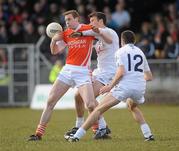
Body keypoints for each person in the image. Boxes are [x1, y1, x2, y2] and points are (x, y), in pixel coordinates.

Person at [68, 30, 155, 142]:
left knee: (98, 110)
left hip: (124, 88)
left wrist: (110, 86)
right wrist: (136, 80)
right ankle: (148, 134)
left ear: (122, 41)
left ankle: (76, 136)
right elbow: (149, 76)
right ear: (134, 40)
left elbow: (121, 72)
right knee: (132, 106)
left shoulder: (120, 51)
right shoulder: (140, 52)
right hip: (139, 88)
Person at [28, 10, 97, 141]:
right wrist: (53, 41)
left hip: (82, 71)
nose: (67, 22)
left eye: (69, 19)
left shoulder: (88, 28)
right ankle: (38, 134)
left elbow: (101, 34)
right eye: (65, 20)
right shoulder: (66, 33)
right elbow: (54, 51)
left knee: (91, 104)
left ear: (77, 18)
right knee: (50, 102)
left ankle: (97, 130)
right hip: (67, 70)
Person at [64, 12, 119, 140]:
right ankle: (79, 125)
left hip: (109, 73)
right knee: (78, 96)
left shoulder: (109, 32)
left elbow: (107, 39)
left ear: (100, 21)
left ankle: (102, 127)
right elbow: (88, 32)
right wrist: (80, 33)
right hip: (99, 71)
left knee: (89, 99)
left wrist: (89, 32)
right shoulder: (96, 33)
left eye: (93, 20)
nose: (90, 23)